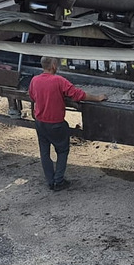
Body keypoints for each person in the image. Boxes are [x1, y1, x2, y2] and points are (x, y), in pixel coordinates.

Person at [27, 56, 106, 191]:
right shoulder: (59, 80)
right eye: (55, 63)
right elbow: (78, 95)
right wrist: (98, 98)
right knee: (62, 151)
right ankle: (59, 181)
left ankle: (50, 181)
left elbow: (32, 96)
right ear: (53, 66)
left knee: (44, 152)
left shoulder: (34, 80)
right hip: (56, 124)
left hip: (40, 122)